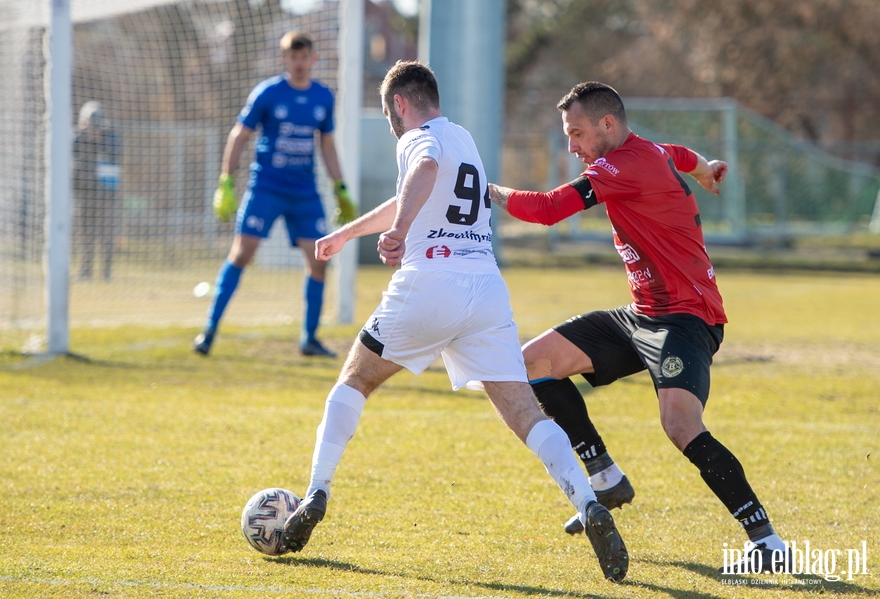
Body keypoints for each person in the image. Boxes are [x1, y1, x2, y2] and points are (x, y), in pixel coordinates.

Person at [278, 62, 629, 582]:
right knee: (523, 411)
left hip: (430, 281)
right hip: (485, 290)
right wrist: (347, 234)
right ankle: (588, 500)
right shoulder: (462, 137)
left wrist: (398, 233)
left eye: (387, 113)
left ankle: (316, 493)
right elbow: (416, 191)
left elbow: (419, 174)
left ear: (400, 103)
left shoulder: (416, 138)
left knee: (354, 379)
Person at [488, 81, 787, 574]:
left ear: (608, 125)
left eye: (577, 133)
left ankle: (767, 538)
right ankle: (603, 475)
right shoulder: (650, 151)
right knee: (534, 363)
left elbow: (545, 211)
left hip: (687, 317)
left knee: (681, 425)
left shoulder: (622, 165)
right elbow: (681, 154)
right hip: (641, 314)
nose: (572, 146)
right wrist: (707, 168)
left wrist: (490, 189)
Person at [194, 31, 357, 357]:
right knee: (242, 254)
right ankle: (209, 330)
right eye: (293, 57)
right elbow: (240, 135)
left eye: (304, 57)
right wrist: (226, 182)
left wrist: (339, 187)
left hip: (304, 193)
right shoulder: (267, 93)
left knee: (319, 261)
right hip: (266, 188)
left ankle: (309, 339)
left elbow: (326, 144)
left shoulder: (323, 97)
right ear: (285, 59)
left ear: (314, 59)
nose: (299, 63)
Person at [73, 101, 121, 281]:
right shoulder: (78, 136)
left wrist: (101, 139)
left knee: (106, 234)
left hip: (105, 195)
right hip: (85, 192)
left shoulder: (111, 136)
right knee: (85, 234)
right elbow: (73, 151)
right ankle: (85, 271)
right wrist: (86, 135)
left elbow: (115, 155)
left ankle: (106, 273)